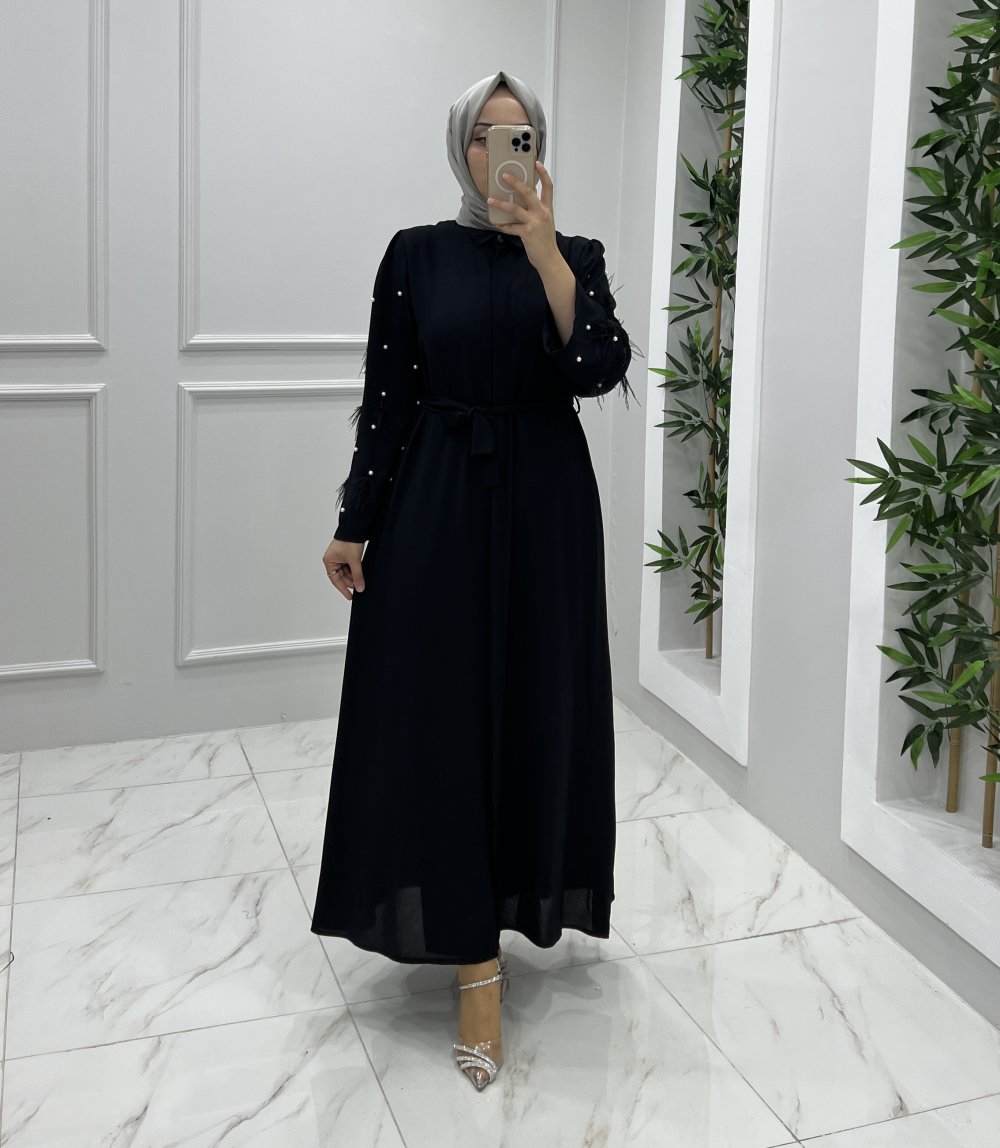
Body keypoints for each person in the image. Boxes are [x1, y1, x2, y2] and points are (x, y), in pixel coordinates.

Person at [310, 69, 636, 1092]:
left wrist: (545, 251)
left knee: (535, 706)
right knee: (439, 716)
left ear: (539, 148)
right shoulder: (415, 254)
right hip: (439, 503)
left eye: (522, 133)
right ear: (462, 149)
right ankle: (470, 960)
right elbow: (388, 397)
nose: (505, 151)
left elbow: (597, 367)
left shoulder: (575, 256)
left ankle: (517, 900)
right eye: (488, 135)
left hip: (547, 509)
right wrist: (356, 521)